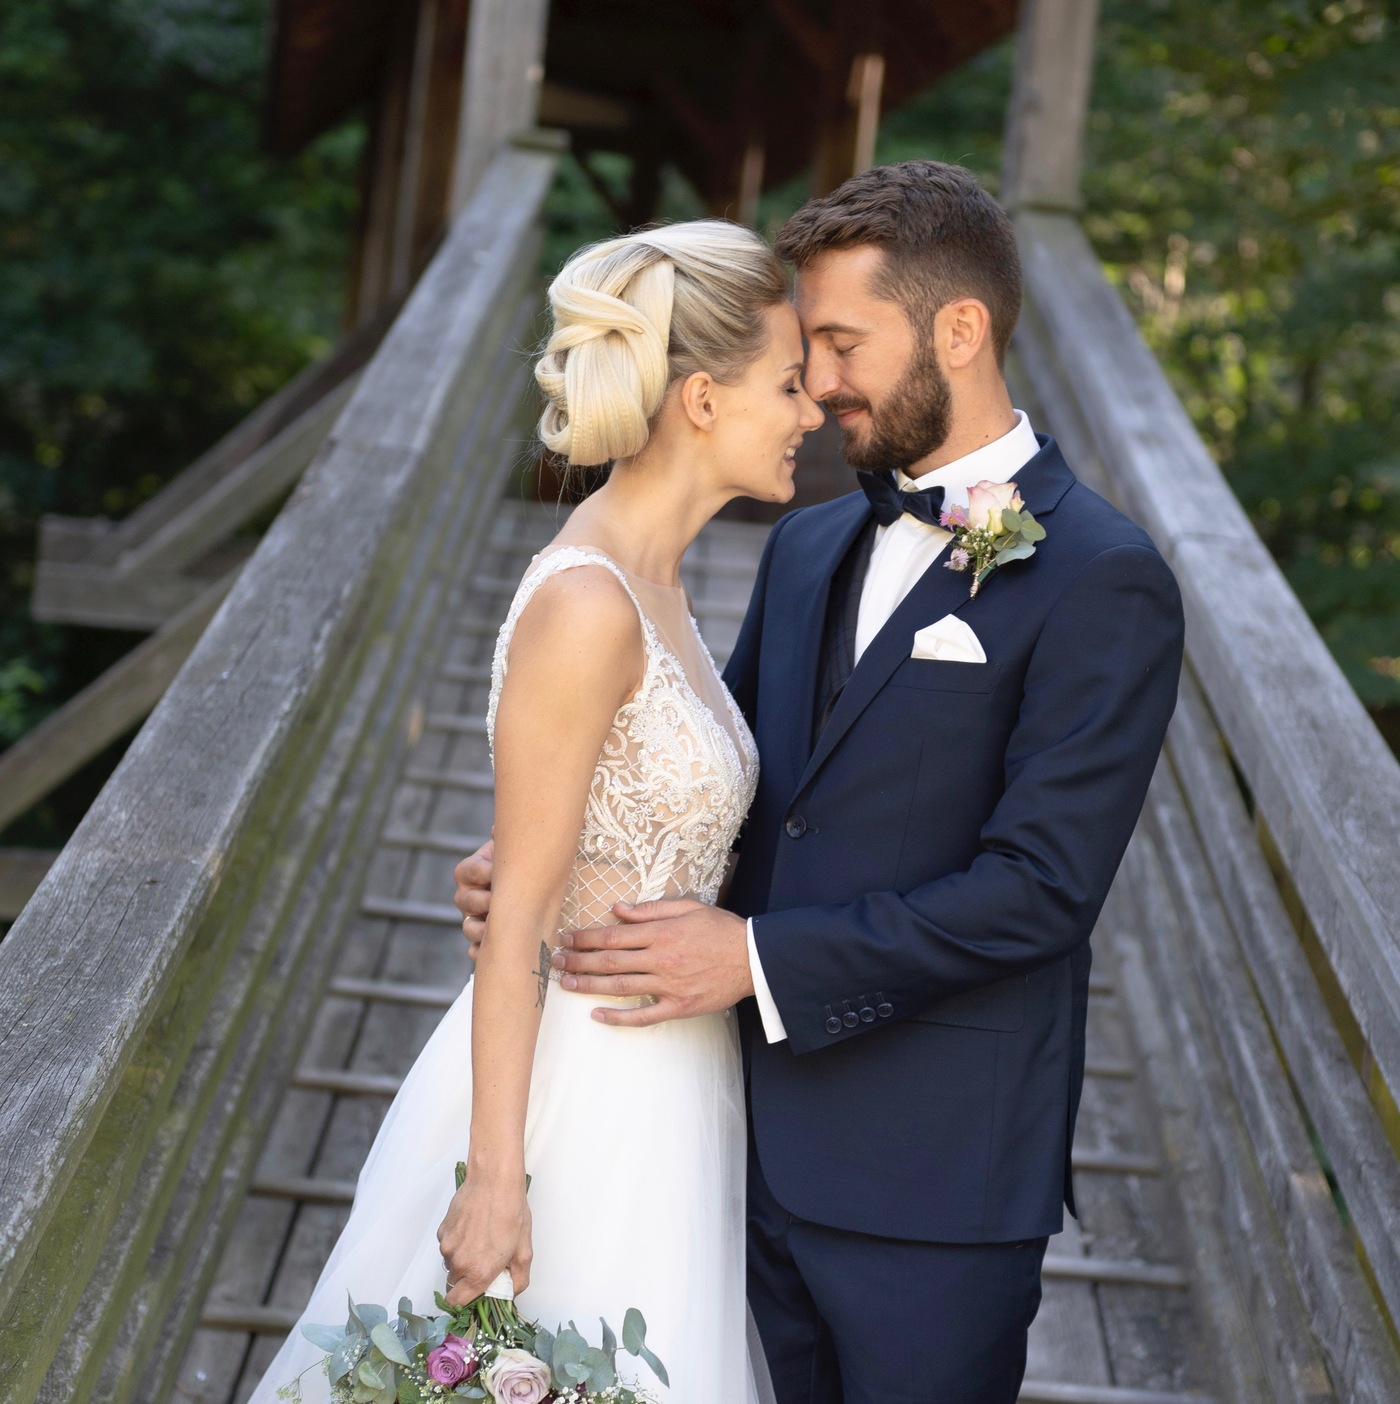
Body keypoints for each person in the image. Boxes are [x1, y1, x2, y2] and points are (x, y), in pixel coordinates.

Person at [455, 161, 1185, 1404]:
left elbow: (1040, 892)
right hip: (723, 1148)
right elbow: (732, 785)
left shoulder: (1101, 576)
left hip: (932, 1186)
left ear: (958, 330)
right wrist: (555, 862)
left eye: (841, 345)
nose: (821, 382)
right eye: (805, 356)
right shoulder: (805, 543)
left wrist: (755, 959)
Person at [247, 219, 823, 1404]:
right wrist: (496, 1180)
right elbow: (516, 922)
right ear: (701, 400)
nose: (810, 412)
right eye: (788, 384)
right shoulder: (587, 601)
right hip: (580, 1092)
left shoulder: (660, 588)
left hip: (674, 1086)